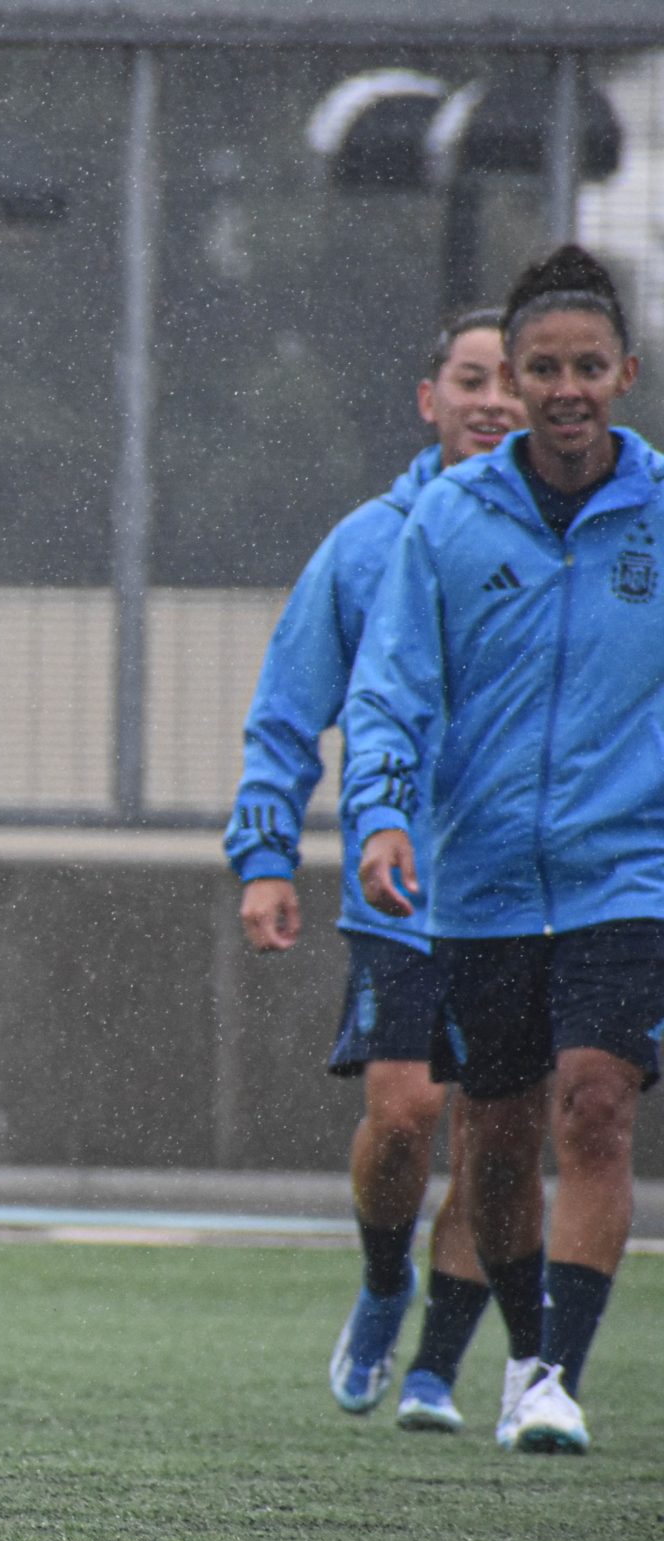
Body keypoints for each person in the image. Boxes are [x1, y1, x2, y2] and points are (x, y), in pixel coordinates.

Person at [347, 245, 659, 1455]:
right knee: (495, 1126)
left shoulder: (659, 518)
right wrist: (379, 815)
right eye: (544, 367)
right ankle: (522, 1348)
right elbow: (389, 694)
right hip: (475, 879)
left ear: (624, 373)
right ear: (514, 383)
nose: (567, 386)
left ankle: (552, 1380)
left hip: (624, 874)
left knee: (593, 1108)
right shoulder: (445, 522)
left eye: (589, 364)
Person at [227, 310, 522, 1431]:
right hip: (403, 889)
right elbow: (287, 715)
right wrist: (263, 857)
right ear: (429, 398)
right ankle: (384, 1278)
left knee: (500, 1131)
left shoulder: (584, 547)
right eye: (472, 378)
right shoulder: (366, 545)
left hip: (540, 896)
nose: (494, 399)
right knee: (405, 1114)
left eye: (514, 380)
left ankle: (440, 1368)